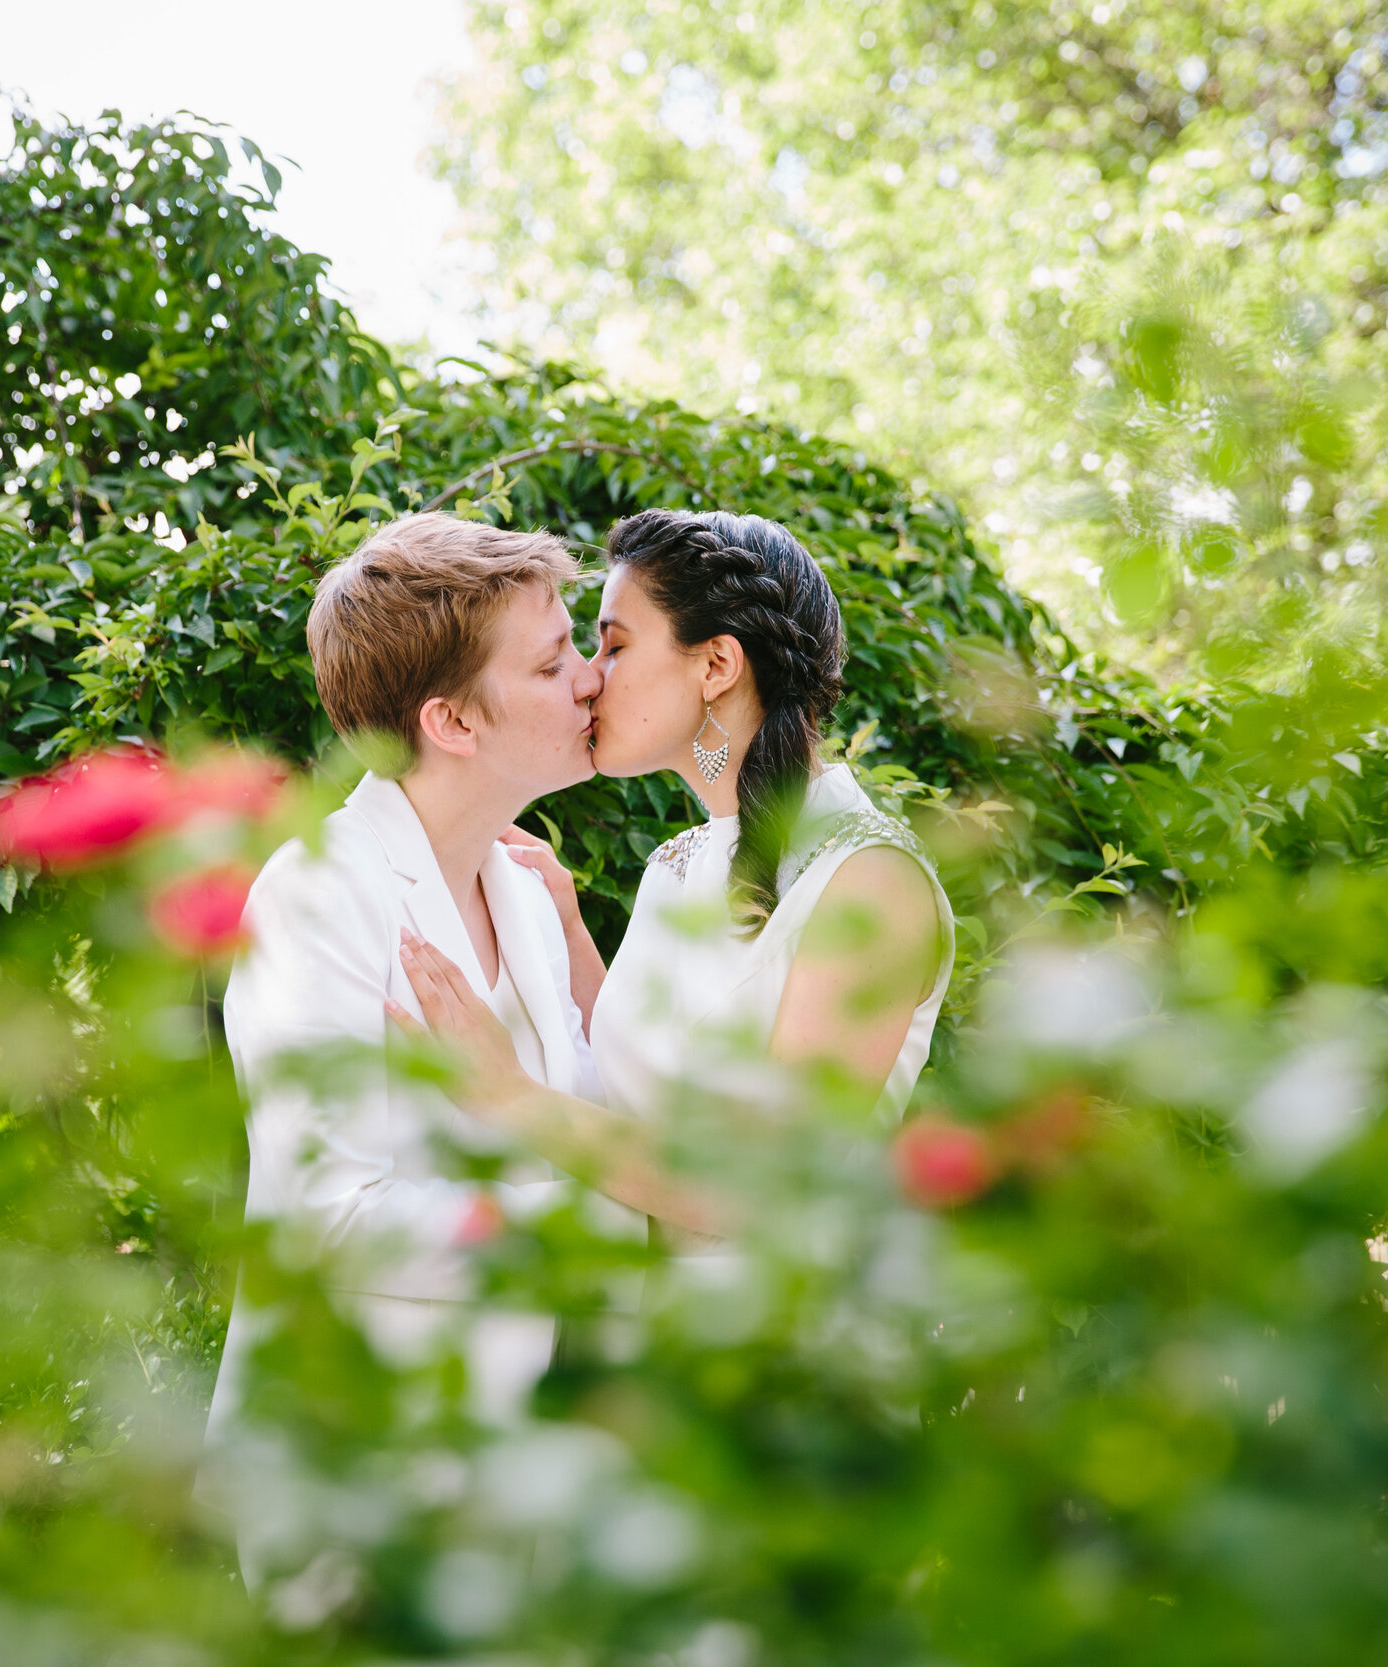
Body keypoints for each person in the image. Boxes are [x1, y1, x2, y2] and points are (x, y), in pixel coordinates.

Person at [204, 513, 621, 1571]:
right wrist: (570, 1237)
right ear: (452, 721)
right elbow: (331, 1215)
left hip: (516, 1484)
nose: (588, 680)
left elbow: (589, 1123)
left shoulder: (527, 895)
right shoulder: (315, 894)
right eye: (551, 660)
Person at [393, 509, 953, 1237]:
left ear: (717, 664)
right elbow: (645, 1077)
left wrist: (511, 1096)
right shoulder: (676, 865)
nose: (589, 677)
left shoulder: (873, 882)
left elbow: (771, 1183)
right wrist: (566, 927)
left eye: (614, 645)